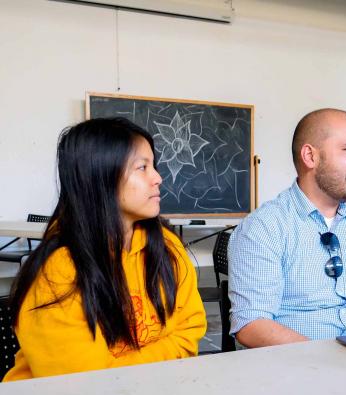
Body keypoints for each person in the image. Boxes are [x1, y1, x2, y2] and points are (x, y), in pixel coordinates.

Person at [3, 118, 206, 381]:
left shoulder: (167, 245)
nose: (158, 178)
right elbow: (86, 384)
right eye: (142, 167)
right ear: (100, 176)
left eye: (153, 166)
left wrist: (118, 366)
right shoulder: (60, 270)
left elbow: (190, 332)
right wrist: (164, 355)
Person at [229, 108, 346, 347]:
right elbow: (251, 324)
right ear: (310, 156)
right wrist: (327, 360)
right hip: (294, 371)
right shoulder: (263, 228)